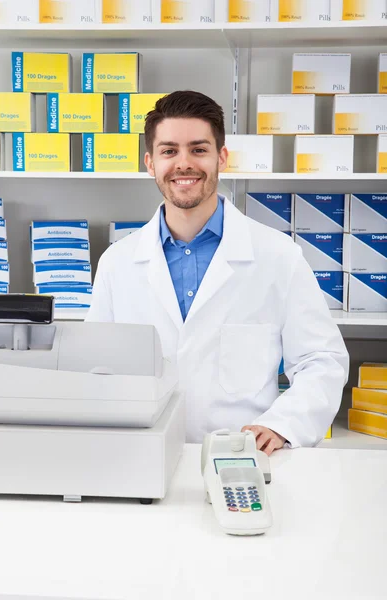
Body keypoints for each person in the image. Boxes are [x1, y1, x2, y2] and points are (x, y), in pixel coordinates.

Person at [86, 90, 349, 455]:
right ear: (150, 163)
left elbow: (321, 360)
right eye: (169, 151)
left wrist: (282, 424)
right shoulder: (117, 262)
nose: (183, 164)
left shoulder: (278, 256)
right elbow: (96, 368)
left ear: (221, 157)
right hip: (140, 454)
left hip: (243, 458)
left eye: (198, 149)